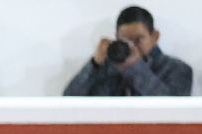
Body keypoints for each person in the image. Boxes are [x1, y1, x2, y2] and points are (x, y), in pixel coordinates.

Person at [63, 6, 192, 97]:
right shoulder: (107, 68)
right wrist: (95, 64)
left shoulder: (178, 69)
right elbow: (69, 101)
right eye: (126, 40)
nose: (132, 45)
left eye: (138, 39)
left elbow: (171, 109)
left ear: (154, 36)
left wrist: (135, 67)